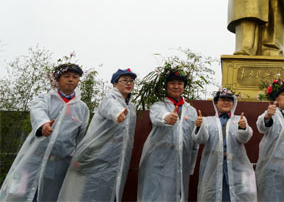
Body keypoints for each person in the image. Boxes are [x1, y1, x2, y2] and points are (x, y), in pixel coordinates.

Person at [0, 64, 89, 202]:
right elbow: (37, 111)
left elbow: (79, 137)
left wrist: (77, 158)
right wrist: (43, 125)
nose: (71, 79)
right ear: (58, 80)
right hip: (35, 160)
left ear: (78, 81)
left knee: (51, 196)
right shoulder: (45, 99)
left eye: (75, 77)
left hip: (60, 165)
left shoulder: (82, 108)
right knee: (21, 194)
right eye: (66, 76)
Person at [58, 68, 138, 202]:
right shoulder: (110, 98)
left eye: (131, 81)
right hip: (96, 157)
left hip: (115, 161)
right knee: (90, 193)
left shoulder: (131, 107)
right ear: (114, 83)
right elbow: (112, 107)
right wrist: (117, 114)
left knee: (109, 193)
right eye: (124, 80)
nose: (128, 83)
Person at [138, 70, 198, 202]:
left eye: (180, 83)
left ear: (184, 86)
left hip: (182, 163)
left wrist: (191, 166)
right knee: (156, 195)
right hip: (159, 161)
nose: (176, 86)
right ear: (166, 86)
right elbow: (158, 116)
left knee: (178, 195)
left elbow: (194, 142)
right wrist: (167, 118)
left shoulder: (192, 111)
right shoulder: (159, 106)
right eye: (172, 83)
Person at [192, 88, 256, 202]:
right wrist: (199, 126)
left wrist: (243, 127)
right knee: (214, 195)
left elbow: (244, 138)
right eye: (222, 99)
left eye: (229, 100)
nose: (226, 102)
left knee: (238, 195)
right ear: (216, 102)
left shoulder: (240, 119)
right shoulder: (208, 121)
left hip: (237, 167)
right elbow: (201, 139)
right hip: (213, 167)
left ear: (234, 103)